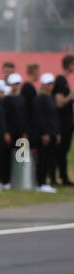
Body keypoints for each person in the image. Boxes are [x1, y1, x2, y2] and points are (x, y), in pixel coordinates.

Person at [32, 73, 61, 193]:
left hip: (53, 132)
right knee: (43, 159)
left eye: (52, 83)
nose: (51, 86)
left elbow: (54, 116)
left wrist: (57, 133)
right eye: (49, 84)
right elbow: (40, 117)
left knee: (50, 159)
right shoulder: (40, 98)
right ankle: (41, 183)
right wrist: (44, 133)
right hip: (44, 134)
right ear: (43, 85)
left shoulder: (51, 97)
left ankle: (45, 181)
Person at [0, 73, 27, 190]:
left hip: (20, 133)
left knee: (20, 157)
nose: (16, 86)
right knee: (6, 157)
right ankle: (5, 180)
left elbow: (24, 116)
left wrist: (25, 132)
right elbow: (3, 117)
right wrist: (5, 132)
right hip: (9, 132)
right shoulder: (5, 100)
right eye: (14, 84)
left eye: (17, 84)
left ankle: (20, 179)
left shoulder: (21, 99)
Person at [55, 54, 73, 185]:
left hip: (68, 122)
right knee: (60, 151)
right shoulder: (60, 80)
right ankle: (61, 177)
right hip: (62, 123)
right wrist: (71, 96)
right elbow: (59, 102)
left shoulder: (65, 81)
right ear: (70, 65)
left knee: (64, 151)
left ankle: (63, 176)